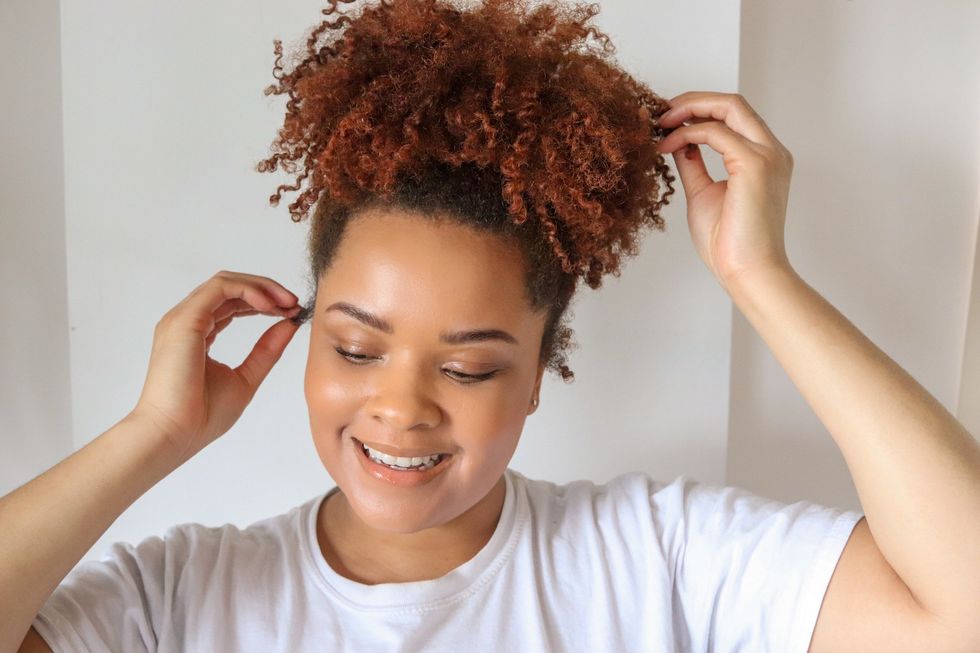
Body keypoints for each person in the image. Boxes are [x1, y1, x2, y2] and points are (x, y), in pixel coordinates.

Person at [5, 0, 980, 651]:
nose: (400, 407)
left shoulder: (656, 558)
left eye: (468, 368)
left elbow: (960, 610)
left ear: (538, 371)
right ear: (304, 333)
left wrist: (760, 277)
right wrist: (151, 434)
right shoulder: (176, 598)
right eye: (356, 347)